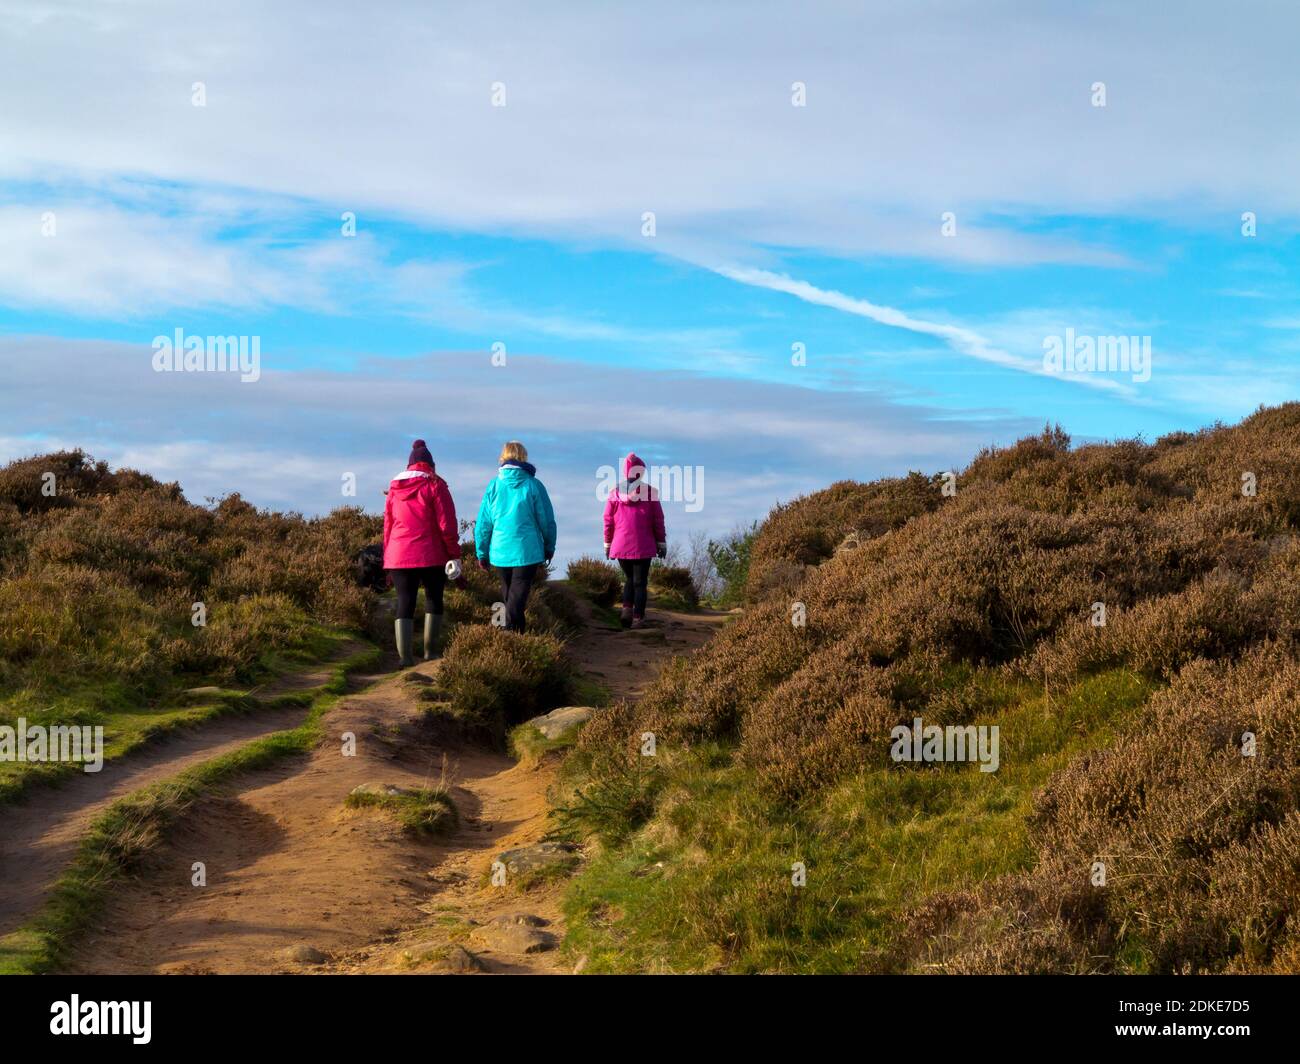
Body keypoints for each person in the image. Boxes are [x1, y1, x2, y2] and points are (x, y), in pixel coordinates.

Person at [383, 439, 462, 666]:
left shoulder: (394, 489)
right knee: (434, 598)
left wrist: (388, 556)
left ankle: (404, 658)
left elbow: (388, 526)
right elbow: (447, 525)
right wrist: (454, 554)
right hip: (431, 554)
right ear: (431, 464)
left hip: (398, 554)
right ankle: (431, 653)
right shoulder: (436, 485)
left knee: (404, 600)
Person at [474, 440, 557, 633]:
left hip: (500, 551)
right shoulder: (534, 485)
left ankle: (514, 635)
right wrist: (549, 545)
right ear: (524, 457)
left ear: (503, 457)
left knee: (510, 594)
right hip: (526, 551)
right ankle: (511, 632)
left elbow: (484, 523)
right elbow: (546, 519)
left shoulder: (493, 486)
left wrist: (482, 552)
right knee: (517, 596)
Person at [603, 452, 666, 629]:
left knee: (630, 578)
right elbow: (658, 519)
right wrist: (661, 542)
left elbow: (607, 519)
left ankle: (626, 611)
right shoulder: (650, 492)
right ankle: (638, 619)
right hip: (643, 545)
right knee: (640, 582)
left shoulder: (614, 493)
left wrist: (607, 544)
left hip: (620, 544)